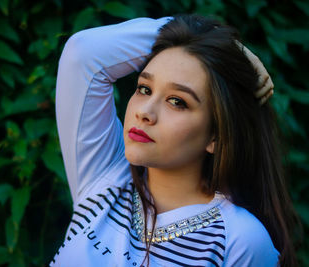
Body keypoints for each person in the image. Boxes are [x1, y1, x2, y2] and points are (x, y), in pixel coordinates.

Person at [51, 14, 298, 266]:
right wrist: (213, 39)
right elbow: (82, 53)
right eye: (144, 89)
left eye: (177, 102)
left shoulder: (240, 241)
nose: (144, 112)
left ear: (216, 136)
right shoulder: (105, 178)